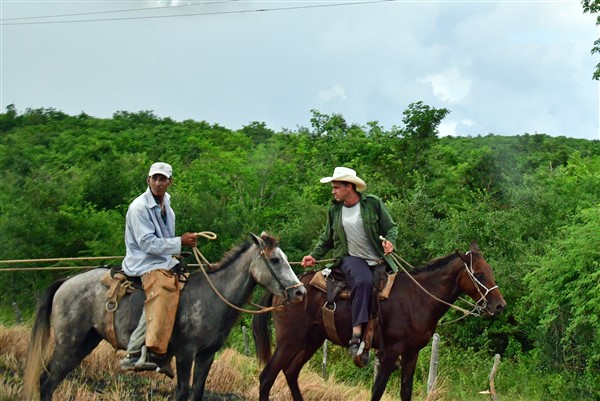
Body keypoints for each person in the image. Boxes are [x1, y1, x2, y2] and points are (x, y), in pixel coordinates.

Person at [301, 166, 398, 365]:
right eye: (333, 188)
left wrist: (390, 242)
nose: (333, 191)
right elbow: (327, 239)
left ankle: (388, 343)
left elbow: (391, 228)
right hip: (351, 258)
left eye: (336, 187)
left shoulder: (373, 204)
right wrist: (313, 255)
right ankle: (356, 336)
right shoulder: (334, 209)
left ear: (349, 187)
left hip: (379, 259)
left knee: (400, 291)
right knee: (363, 282)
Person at [120, 162, 198, 374]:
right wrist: (179, 242)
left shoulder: (167, 205)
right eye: (154, 178)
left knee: (189, 286)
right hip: (143, 262)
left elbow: (161, 239)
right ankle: (134, 352)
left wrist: (175, 252)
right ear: (148, 180)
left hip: (161, 260)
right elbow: (147, 243)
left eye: (162, 179)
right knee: (163, 291)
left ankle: (166, 350)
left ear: (169, 182)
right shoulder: (139, 207)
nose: (157, 182)